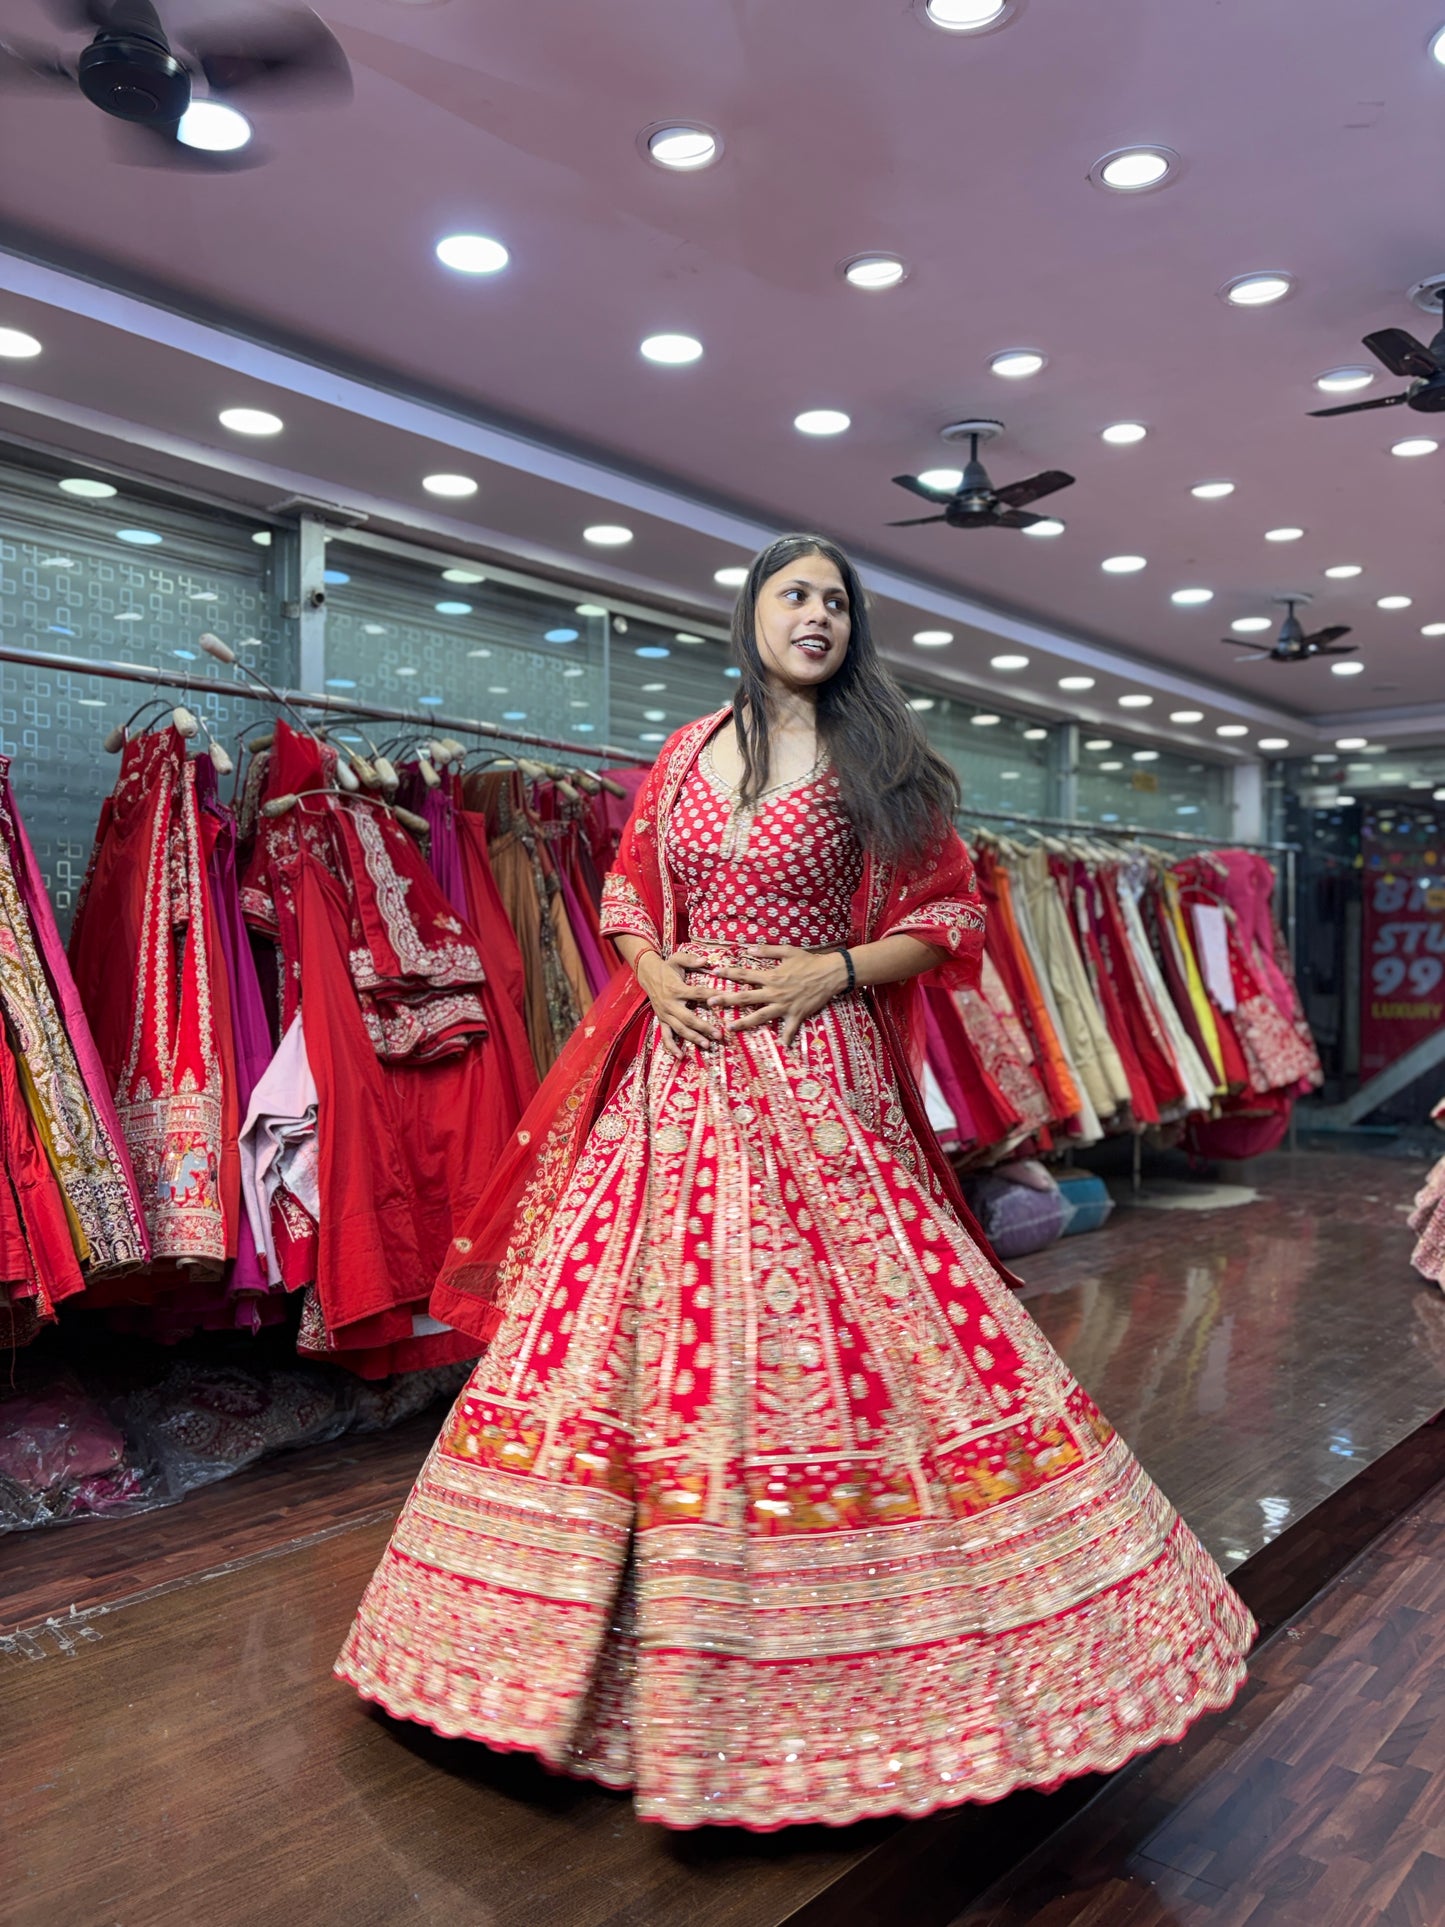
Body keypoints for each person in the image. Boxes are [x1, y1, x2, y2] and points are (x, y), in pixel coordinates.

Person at [335, 532, 1254, 1831]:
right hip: (676, 1077)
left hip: (817, 1074)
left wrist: (828, 973)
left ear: (851, 627)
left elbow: (951, 917)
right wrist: (652, 972)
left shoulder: (880, 762)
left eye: (834, 599)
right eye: (793, 594)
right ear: (751, 615)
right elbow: (625, 889)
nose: (815, 614)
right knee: (624, 1327)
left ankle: (879, 1659)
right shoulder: (690, 745)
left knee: (863, 1319)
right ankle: (537, 1655)